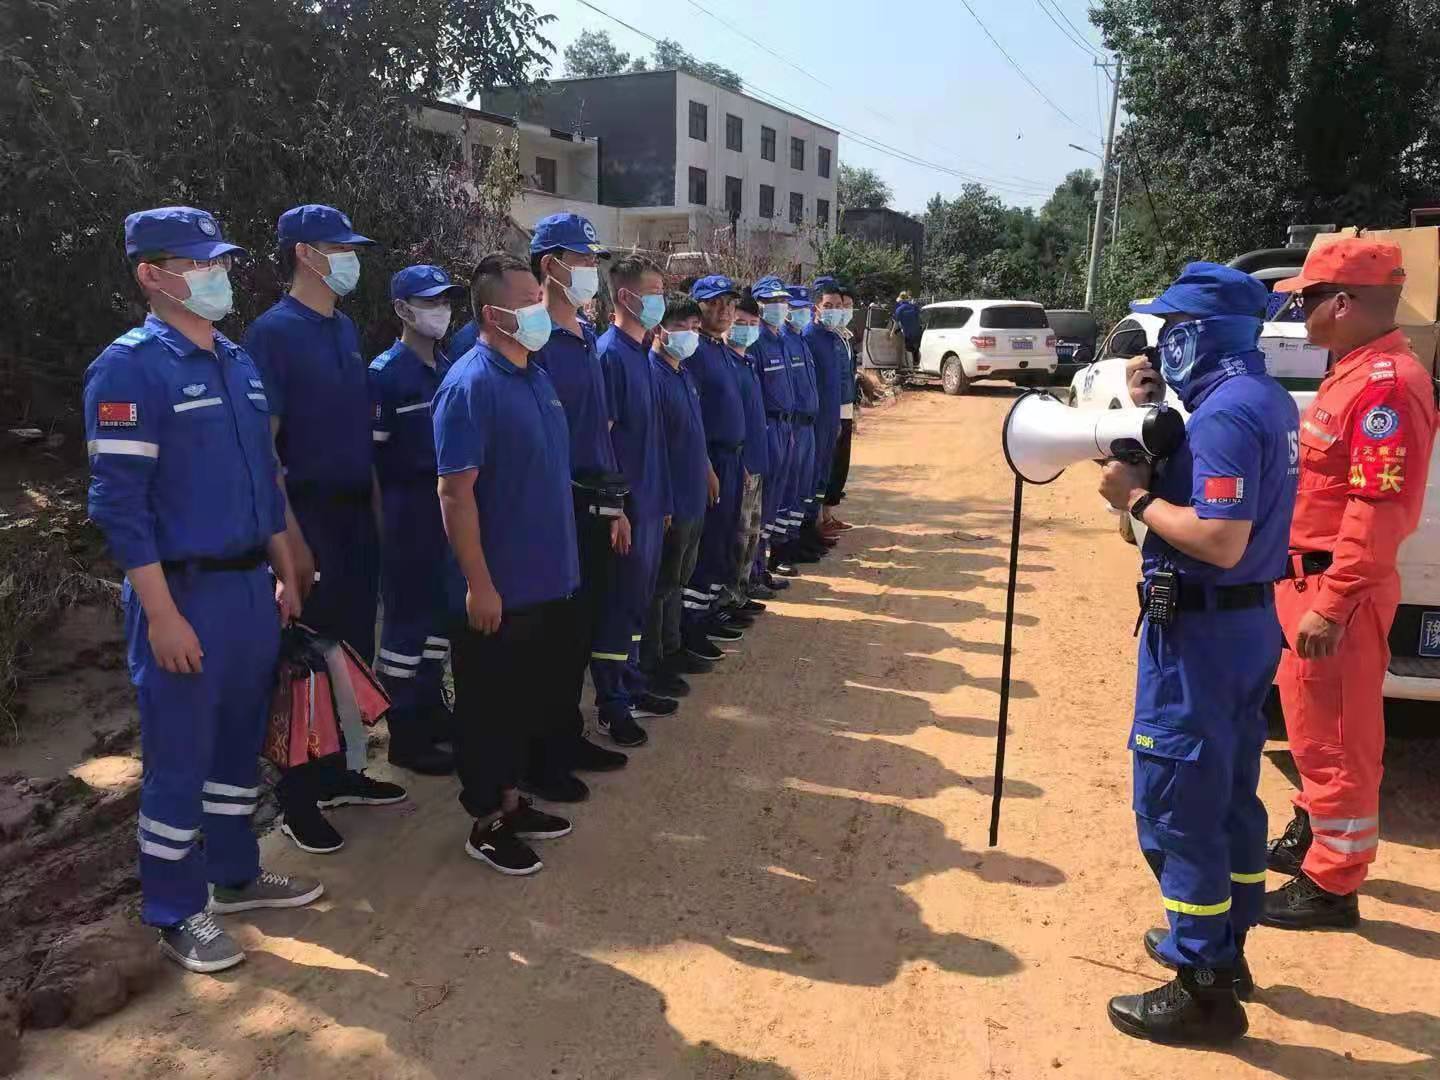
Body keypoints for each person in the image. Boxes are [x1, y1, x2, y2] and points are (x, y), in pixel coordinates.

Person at [85, 206, 322, 973]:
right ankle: (174, 908)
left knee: (236, 746)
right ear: (152, 275)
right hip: (182, 595)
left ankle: (235, 875)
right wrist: (160, 615)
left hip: (249, 589)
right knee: (180, 757)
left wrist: (283, 567)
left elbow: (266, 478)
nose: (217, 275)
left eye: (218, 261)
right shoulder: (129, 369)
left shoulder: (236, 360)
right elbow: (120, 507)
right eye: (199, 264)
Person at [1099, 263, 1299, 1045]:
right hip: (1242, 628)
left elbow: (1218, 539)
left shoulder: (1225, 415)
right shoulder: (1262, 397)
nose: (1161, 344)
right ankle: (1226, 944)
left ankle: (1202, 984)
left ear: (1200, 333)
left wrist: (1136, 499)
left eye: (1171, 329)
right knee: (1230, 796)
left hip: (1203, 635)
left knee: (1178, 805)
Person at [1262, 238, 1437, 930]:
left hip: (1338, 591)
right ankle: (1313, 833)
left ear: (1341, 302)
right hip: (1307, 583)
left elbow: (1377, 510)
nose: (1298, 312)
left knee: (1337, 738)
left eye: (1305, 299)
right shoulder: (1351, 372)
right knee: (1312, 729)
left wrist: (1333, 605)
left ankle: (1332, 884)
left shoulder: (1386, 385)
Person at [243, 204, 405, 855]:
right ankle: (299, 797)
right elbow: (264, 449)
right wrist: (289, 542)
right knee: (304, 662)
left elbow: (357, 434)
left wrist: (375, 513)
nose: (351, 260)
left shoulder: (343, 329)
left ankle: (341, 773)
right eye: (341, 249)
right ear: (306, 254)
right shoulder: (272, 335)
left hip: (353, 513)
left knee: (350, 650)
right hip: (308, 515)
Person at [432, 251, 582, 876]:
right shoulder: (470, 385)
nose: (542, 308)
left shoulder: (534, 376)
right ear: (494, 315)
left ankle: (515, 802)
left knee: (524, 703)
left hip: (544, 580)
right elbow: (454, 493)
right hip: (498, 588)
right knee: (489, 709)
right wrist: (479, 583)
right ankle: (487, 821)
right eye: (529, 301)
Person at [529, 213, 638, 770]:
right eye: (582, 260)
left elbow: (601, 430)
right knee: (553, 634)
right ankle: (544, 747)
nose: (592, 270)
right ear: (551, 266)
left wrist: (617, 506)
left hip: (595, 503)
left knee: (583, 627)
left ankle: (568, 732)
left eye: (595, 260)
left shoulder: (586, 338)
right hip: (554, 508)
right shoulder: (534, 342)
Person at [368, 264, 467, 777]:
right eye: (430, 302)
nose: (441, 311)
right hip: (407, 516)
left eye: (445, 301)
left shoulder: (448, 368)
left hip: (444, 515)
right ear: (403, 310)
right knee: (405, 632)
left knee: (438, 623)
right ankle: (405, 731)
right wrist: (383, 530)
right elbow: (371, 463)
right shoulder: (385, 375)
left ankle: (431, 710)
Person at [594, 254, 681, 736]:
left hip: (649, 504)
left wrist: (662, 502)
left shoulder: (642, 353)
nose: (660, 302)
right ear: (626, 297)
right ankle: (612, 702)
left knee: (638, 603)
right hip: (626, 511)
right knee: (618, 605)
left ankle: (631, 682)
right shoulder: (610, 355)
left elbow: (651, 439)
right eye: (654, 293)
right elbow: (604, 441)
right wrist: (617, 510)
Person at [646, 299, 723, 677]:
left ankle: (673, 646)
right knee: (661, 583)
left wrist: (708, 470)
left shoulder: (684, 375)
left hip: (693, 494)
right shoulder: (653, 376)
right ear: (659, 331)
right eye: (682, 328)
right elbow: (654, 447)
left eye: (695, 328)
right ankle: (654, 658)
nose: (691, 336)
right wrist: (663, 501)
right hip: (672, 498)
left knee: (680, 578)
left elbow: (695, 432)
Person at [688, 275, 751, 644]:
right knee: (707, 542)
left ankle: (712, 608)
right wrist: (706, 466)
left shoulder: (722, 350)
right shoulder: (694, 352)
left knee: (724, 538)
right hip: (711, 459)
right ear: (697, 306)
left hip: (732, 458)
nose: (723, 310)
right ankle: (693, 621)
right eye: (713, 302)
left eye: (728, 303)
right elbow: (692, 417)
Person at [747, 276, 799, 587]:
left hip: (785, 427)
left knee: (775, 501)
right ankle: (753, 571)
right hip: (766, 427)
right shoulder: (756, 342)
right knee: (761, 503)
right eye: (771, 302)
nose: (779, 307)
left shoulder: (782, 340)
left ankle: (762, 566)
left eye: (782, 301)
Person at [723, 292, 773, 611]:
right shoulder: (725, 363)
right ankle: (730, 597)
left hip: (757, 459)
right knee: (737, 535)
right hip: (739, 464)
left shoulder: (749, 361)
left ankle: (743, 590)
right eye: (740, 322)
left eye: (752, 324)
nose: (746, 329)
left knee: (752, 532)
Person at [782, 286, 827, 563]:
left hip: (808, 424)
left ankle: (798, 538)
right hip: (793, 425)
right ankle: (783, 548)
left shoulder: (800, 340)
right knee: (789, 489)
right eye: (796, 309)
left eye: (805, 309)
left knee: (804, 487)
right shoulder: (784, 340)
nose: (803, 313)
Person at [806, 278, 850, 544]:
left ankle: (815, 531)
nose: (834, 310)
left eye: (838, 306)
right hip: (814, 419)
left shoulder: (832, 337)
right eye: (828, 306)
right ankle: (806, 532)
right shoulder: (809, 337)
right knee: (810, 477)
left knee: (823, 473)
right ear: (817, 307)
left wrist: (836, 421)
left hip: (831, 417)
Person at [823, 286, 859, 532]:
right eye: (838, 306)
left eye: (847, 307)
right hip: (832, 409)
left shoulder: (845, 336)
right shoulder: (826, 337)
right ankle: (821, 517)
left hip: (846, 405)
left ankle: (827, 514)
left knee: (840, 464)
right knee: (830, 463)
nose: (844, 311)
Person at [890, 291, 922, 375]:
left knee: (909, 350)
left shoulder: (899, 310)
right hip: (918, 332)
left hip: (908, 333)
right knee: (917, 349)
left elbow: (896, 323)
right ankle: (919, 366)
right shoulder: (914, 307)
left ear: (900, 300)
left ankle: (911, 369)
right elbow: (919, 317)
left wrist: (892, 333)